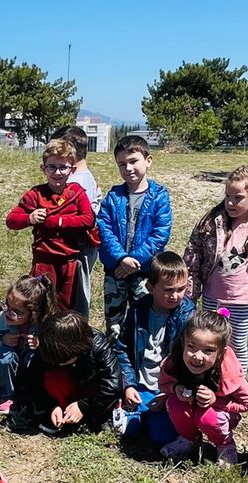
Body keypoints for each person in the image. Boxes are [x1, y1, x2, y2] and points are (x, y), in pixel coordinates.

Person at [182, 165, 248, 372]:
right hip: (212, 295)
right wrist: (191, 290)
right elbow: (193, 252)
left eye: (238, 197)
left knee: (236, 344)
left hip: (242, 299)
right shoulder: (212, 222)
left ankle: (237, 384)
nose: (230, 202)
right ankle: (211, 378)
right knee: (210, 342)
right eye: (227, 195)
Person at [111, 251, 195, 443]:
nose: (175, 296)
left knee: (161, 437)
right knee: (129, 432)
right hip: (141, 385)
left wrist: (170, 393)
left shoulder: (188, 317)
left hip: (168, 389)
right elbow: (122, 349)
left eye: (181, 289)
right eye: (168, 290)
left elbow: (189, 364)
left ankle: (146, 417)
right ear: (150, 287)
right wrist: (129, 385)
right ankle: (134, 412)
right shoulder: (137, 311)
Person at [97, 134, 173, 341]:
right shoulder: (113, 197)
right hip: (116, 271)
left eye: (133, 161)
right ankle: (114, 363)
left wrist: (135, 259)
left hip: (145, 271)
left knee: (145, 319)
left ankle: (140, 362)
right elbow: (103, 229)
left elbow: (160, 233)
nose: (128, 168)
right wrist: (121, 258)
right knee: (114, 322)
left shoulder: (159, 196)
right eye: (122, 164)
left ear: (148, 161)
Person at [5, 139, 95, 313]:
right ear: (43, 169)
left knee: (65, 305)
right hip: (43, 260)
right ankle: (38, 336)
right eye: (52, 167)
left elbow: (88, 219)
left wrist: (59, 221)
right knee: (40, 302)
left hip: (69, 260)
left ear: (72, 170)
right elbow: (11, 220)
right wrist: (30, 218)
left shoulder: (76, 193)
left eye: (63, 167)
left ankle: (61, 338)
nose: (57, 172)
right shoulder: (36, 194)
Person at [156, 310, 248, 465]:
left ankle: (225, 445)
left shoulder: (228, 372)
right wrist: (175, 389)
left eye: (208, 350)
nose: (197, 356)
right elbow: (163, 384)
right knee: (174, 404)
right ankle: (189, 439)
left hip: (219, 413)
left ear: (221, 353)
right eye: (191, 346)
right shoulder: (175, 361)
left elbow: (245, 404)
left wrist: (215, 400)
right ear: (183, 343)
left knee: (206, 417)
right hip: (189, 405)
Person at [6, 312, 123, 436]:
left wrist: (83, 406)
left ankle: (94, 418)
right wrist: (50, 406)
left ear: (76, 349)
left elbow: (113, 385)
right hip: (66, 391)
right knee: (53, 378)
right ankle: (63, 414)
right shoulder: (48, 346)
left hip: (91, 392)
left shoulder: (98, 344)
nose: (59, 363)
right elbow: (33, 382)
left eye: (62, 360)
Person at [0, 275, 58, 415]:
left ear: (33, 314)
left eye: (17, 312)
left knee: (36, 359)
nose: (8, 313)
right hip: (6, 363)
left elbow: (55, 347)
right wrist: (2, 339)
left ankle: (31, 394)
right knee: (4, 356)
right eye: (6, 305)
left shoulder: (44, 325)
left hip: (28, 364)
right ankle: (7, 394)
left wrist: (41, 343)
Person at [52, 125, 101, 317]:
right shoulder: (85, 177)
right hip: (82, 248)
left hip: (76, 249)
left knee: (75, 296)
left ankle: (76, 336)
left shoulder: (77, 183)